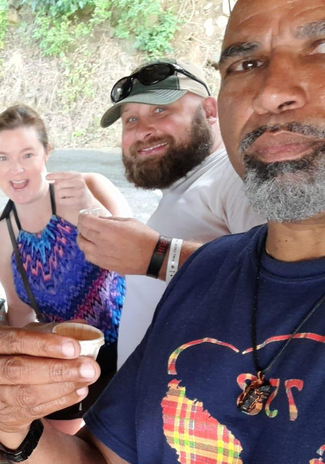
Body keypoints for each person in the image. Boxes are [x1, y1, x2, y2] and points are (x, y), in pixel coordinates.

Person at [0, 0, 325, 464]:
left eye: (320, 46)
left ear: (207, 109)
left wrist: (154, 254)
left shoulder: (224, 183)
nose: (272, 92)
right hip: (114, 399)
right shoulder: (208, 268)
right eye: (246, 64)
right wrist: (9, 425)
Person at [76, 58, 264, 368]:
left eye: (160, 111)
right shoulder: (190, 185)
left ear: (210, 110)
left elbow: (280, 288)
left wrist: (156, 255)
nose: (142, 132)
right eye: (130, 120)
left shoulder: (237, 177)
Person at [0, 104, 130, 434]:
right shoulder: (0, 233)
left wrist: (89, 211)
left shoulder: (91, 186)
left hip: (130, 353)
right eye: (3, 157)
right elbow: (19, 311)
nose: (16, 169)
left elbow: (140, 260)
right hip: (64, 365)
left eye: (27, 155)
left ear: (47, 153)